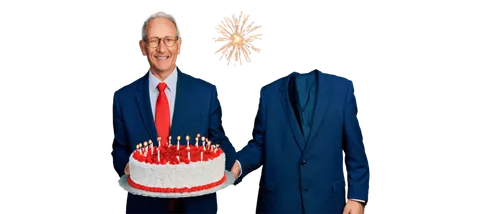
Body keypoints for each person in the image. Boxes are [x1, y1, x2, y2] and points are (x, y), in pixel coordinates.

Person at [111, 10, 237, 214]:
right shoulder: (122, 98)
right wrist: (126, 164)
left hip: (198, 207)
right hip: (144, 207)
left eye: (169, 40)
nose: (162, 48)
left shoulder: (206, 93)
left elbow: (218, 141)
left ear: (180, 45)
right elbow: (117, 148)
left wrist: (236, 163)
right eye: (154, 40)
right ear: (142, 47)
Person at [230, 68, 371, 214]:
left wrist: (357, 197)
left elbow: (356, 150)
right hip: (279, 203)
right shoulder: (268, 93)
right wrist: (239, 164)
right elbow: (259, 144)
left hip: (328, 202)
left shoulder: (342, 89)